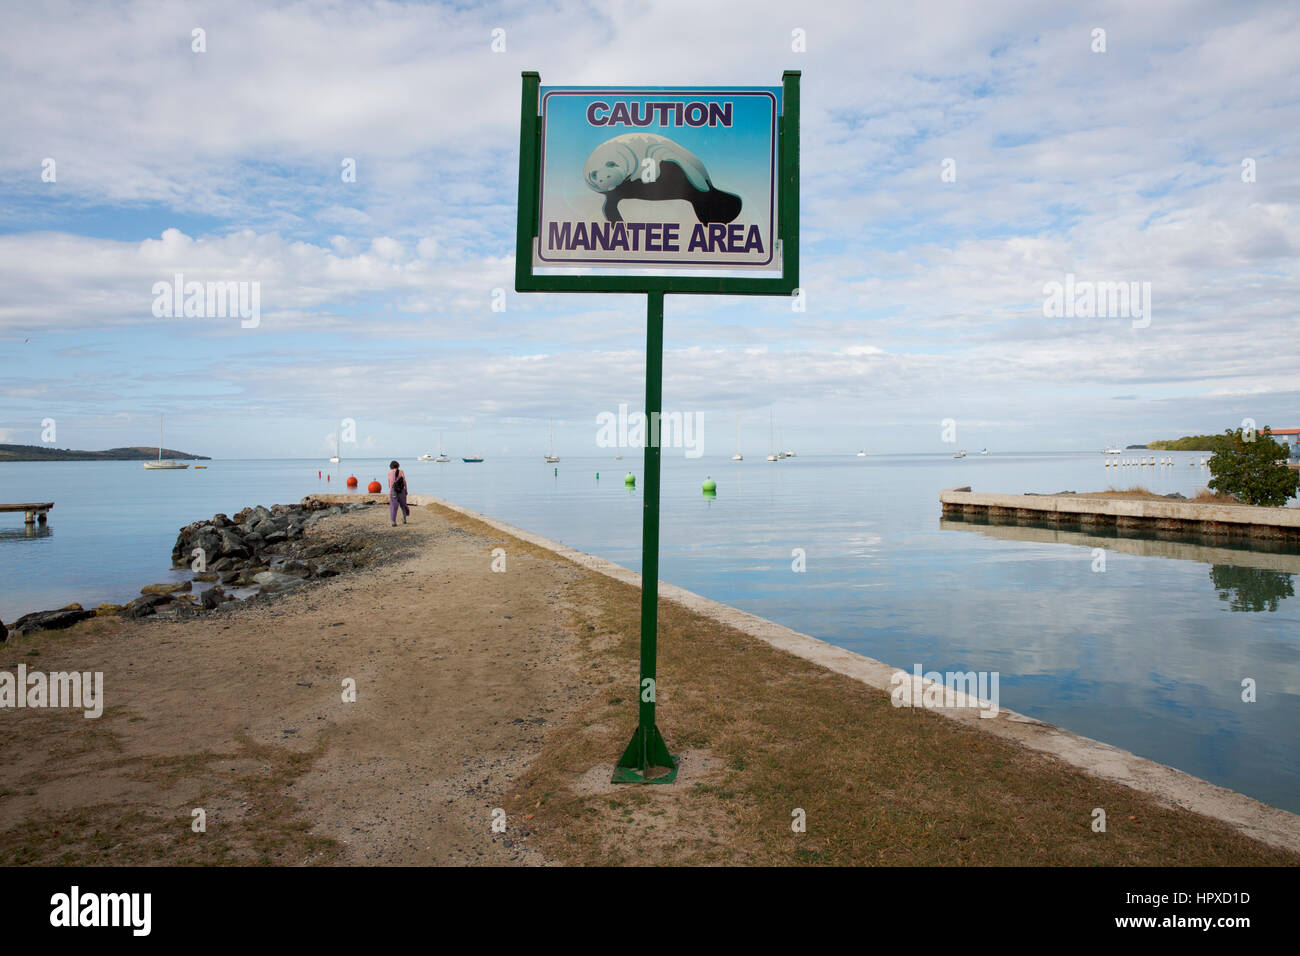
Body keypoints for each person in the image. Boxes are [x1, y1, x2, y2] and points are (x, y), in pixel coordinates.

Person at [388, 460, 409, 526]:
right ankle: (404, 518)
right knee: (403, 505)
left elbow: (389, 484)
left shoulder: (389, 473)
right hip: (401, 490)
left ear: (391, 466)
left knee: (393, 506)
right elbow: (404, 481)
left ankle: (393, 521)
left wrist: (391, 491)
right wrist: (406, 489)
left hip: (393, 491)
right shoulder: (401, 472)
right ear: (398, 465)